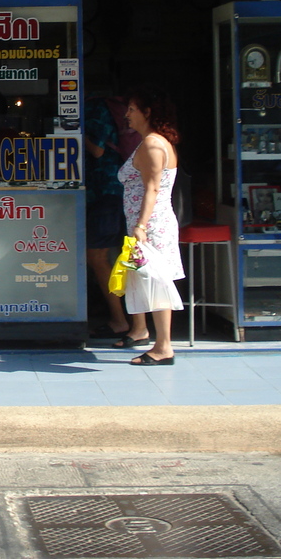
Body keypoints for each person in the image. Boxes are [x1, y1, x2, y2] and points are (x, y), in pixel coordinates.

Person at [118, 88, 184, 366]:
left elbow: (152, 188)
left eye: (132, 109)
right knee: (149, 281)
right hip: (148, 223)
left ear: (147, 113)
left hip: (153, 224)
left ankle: (163, 346)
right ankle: (146, 333)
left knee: (157, 282)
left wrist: (142, 225)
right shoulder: (150, 142)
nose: (127, 115)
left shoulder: (153, 145)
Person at [83, 95, 130, 340]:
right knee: (105, 257)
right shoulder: (102, 110)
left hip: (107, 193)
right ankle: (124, 316)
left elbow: (98, 151)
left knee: (97, 256)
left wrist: (74, 134)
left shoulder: (96, 109)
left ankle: (120, 320)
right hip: (106, 194)